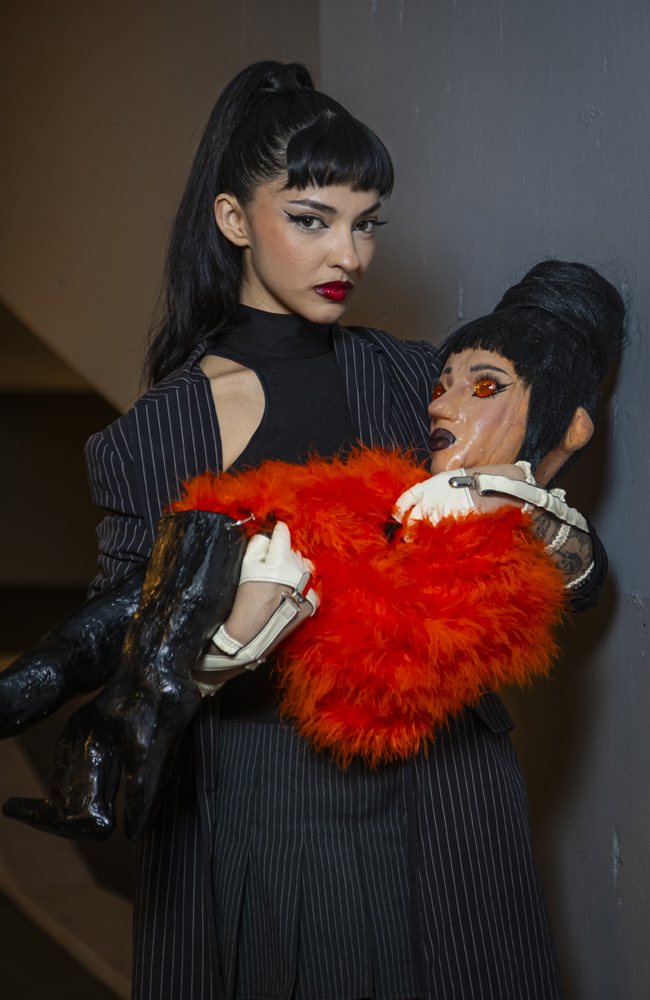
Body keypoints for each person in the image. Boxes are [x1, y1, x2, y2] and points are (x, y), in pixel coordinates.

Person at [0, 61, 612, 1000]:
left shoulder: (414, 377)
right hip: (272, 798)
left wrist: (523, 516)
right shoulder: (165, 429)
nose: (348, 257)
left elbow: (576, 575)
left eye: (366, 224)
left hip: (447, 785)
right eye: (312, 219)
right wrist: (223, 642)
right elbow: (128, 649)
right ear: (235, 220)